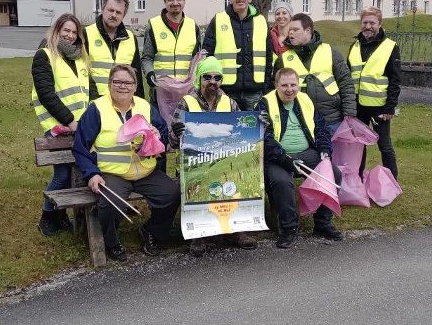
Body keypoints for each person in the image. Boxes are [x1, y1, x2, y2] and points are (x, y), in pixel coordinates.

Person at [72, 64, 180, 262]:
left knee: (172, 194)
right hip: (113, 173)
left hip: (146, 171)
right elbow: (80, 147)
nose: (123, 86)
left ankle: (151, 231)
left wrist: (158, 137)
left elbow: (163, 132)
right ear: (109, 84)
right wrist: (92, 174)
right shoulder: (97, 109)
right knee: (109, 203)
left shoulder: (145, 106)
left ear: (135, 85)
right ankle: (112, 242)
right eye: (118, 82)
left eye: (128, 82)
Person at [169, 56, 257, 257]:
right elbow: (172, 142)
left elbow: (242, 132)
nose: (212, 81)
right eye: (207, 77)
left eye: (217, 77)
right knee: (196, 183)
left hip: (224, 161)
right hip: (193, 163)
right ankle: (199, 234)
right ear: (199, 79)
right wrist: (176, 131)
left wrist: (258, 124)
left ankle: (234, 230)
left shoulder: (231, 103)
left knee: (239, 177)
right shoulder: (187, 102)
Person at [257, 68, 344, 249]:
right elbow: (265, 139)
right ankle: (288, 228)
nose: (289, 89)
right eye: (284, 85)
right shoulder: (264, 104)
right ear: (276, 85)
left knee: (333, 173)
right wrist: (287, 160)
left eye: (293, 85)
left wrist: (325, 150)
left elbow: (321, 128)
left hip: (307, 152)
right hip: (278, 156)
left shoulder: (305, 100)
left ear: (299, 85)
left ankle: (322, 223)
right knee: (282, 182)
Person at [31, 13, 90, 236]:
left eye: (74, 32)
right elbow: (47, 94)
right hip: (58, 126)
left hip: (79, 126)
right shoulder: (44, 55)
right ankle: (47, 216)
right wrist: (70, 121)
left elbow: (87, 92)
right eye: (66, 30)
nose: (70, 35)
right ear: (56, 30)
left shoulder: (80, 59)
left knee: (75, 172)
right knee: (62, 175)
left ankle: (61, 213)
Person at [273, 13, 356, 136]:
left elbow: (346, 84)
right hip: (299, 121)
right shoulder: (282, 59)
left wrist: (349, 114)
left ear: (308, 31)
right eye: (289, 30)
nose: (290, 33)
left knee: (335, 155)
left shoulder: (330, 52)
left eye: (295, 30)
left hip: (332, 120)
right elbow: (275, 91)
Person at [347, 7, 402, 179]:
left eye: (372, 22)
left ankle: (393, 181)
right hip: (358, 106)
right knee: (358, 145)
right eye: (365, 22)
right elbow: (348, 76)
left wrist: (390, 108)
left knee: (384, 145)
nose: (368, 26)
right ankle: (357, 180)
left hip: (379, 107)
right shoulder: (354, 46)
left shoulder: (390, 47)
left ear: (380, 23)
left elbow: (395, 80)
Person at [202, 0, 274, 110]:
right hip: (225, 91)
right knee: (226, 129)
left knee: (254, 129)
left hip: (255, 91)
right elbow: (206, 55)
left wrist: (266, 86)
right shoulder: (218, 20)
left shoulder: (261, 21)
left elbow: (268, 57)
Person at [141, 0, 200, 107]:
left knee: (183, 126)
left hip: (186, 91)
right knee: (160, 126)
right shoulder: (153, 25)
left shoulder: (193, 26)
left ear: (184, 1)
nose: (175, 3)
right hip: (160, 91)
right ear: (165, 1)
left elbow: (197, 60)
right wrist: (150, 74)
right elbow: (146, 58)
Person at [84, 0, 144, 100]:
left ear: (123, 16)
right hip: (95, 101)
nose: (114, 15)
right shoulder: (86, 34)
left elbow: (136, 74)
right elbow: (82, 72)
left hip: (123, 101)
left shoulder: (130, 37)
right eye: (111, 10)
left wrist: (139, 102)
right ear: (103, 9)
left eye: (118, 12)